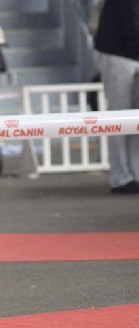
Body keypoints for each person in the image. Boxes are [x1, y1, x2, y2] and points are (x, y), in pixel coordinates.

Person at [93, 0, 139, 194]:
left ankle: (135, 174)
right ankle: (120, 177)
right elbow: (131, 21)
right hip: (117, 55)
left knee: (135, 120)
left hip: (128, 53)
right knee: (119, 118)